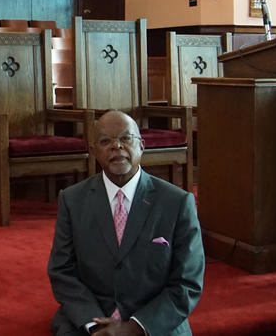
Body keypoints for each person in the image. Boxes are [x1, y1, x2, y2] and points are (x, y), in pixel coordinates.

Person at [48, 110, 204, 335]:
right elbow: (62, 271)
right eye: (105, 141)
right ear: (93, 151)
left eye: (125, 138)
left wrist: (135, 328)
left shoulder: (177, 202)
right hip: (90, 319)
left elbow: (188, 282)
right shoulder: (72, 200)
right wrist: (94, 325)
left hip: (155, 322)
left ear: (141, 145)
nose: (116, 146)